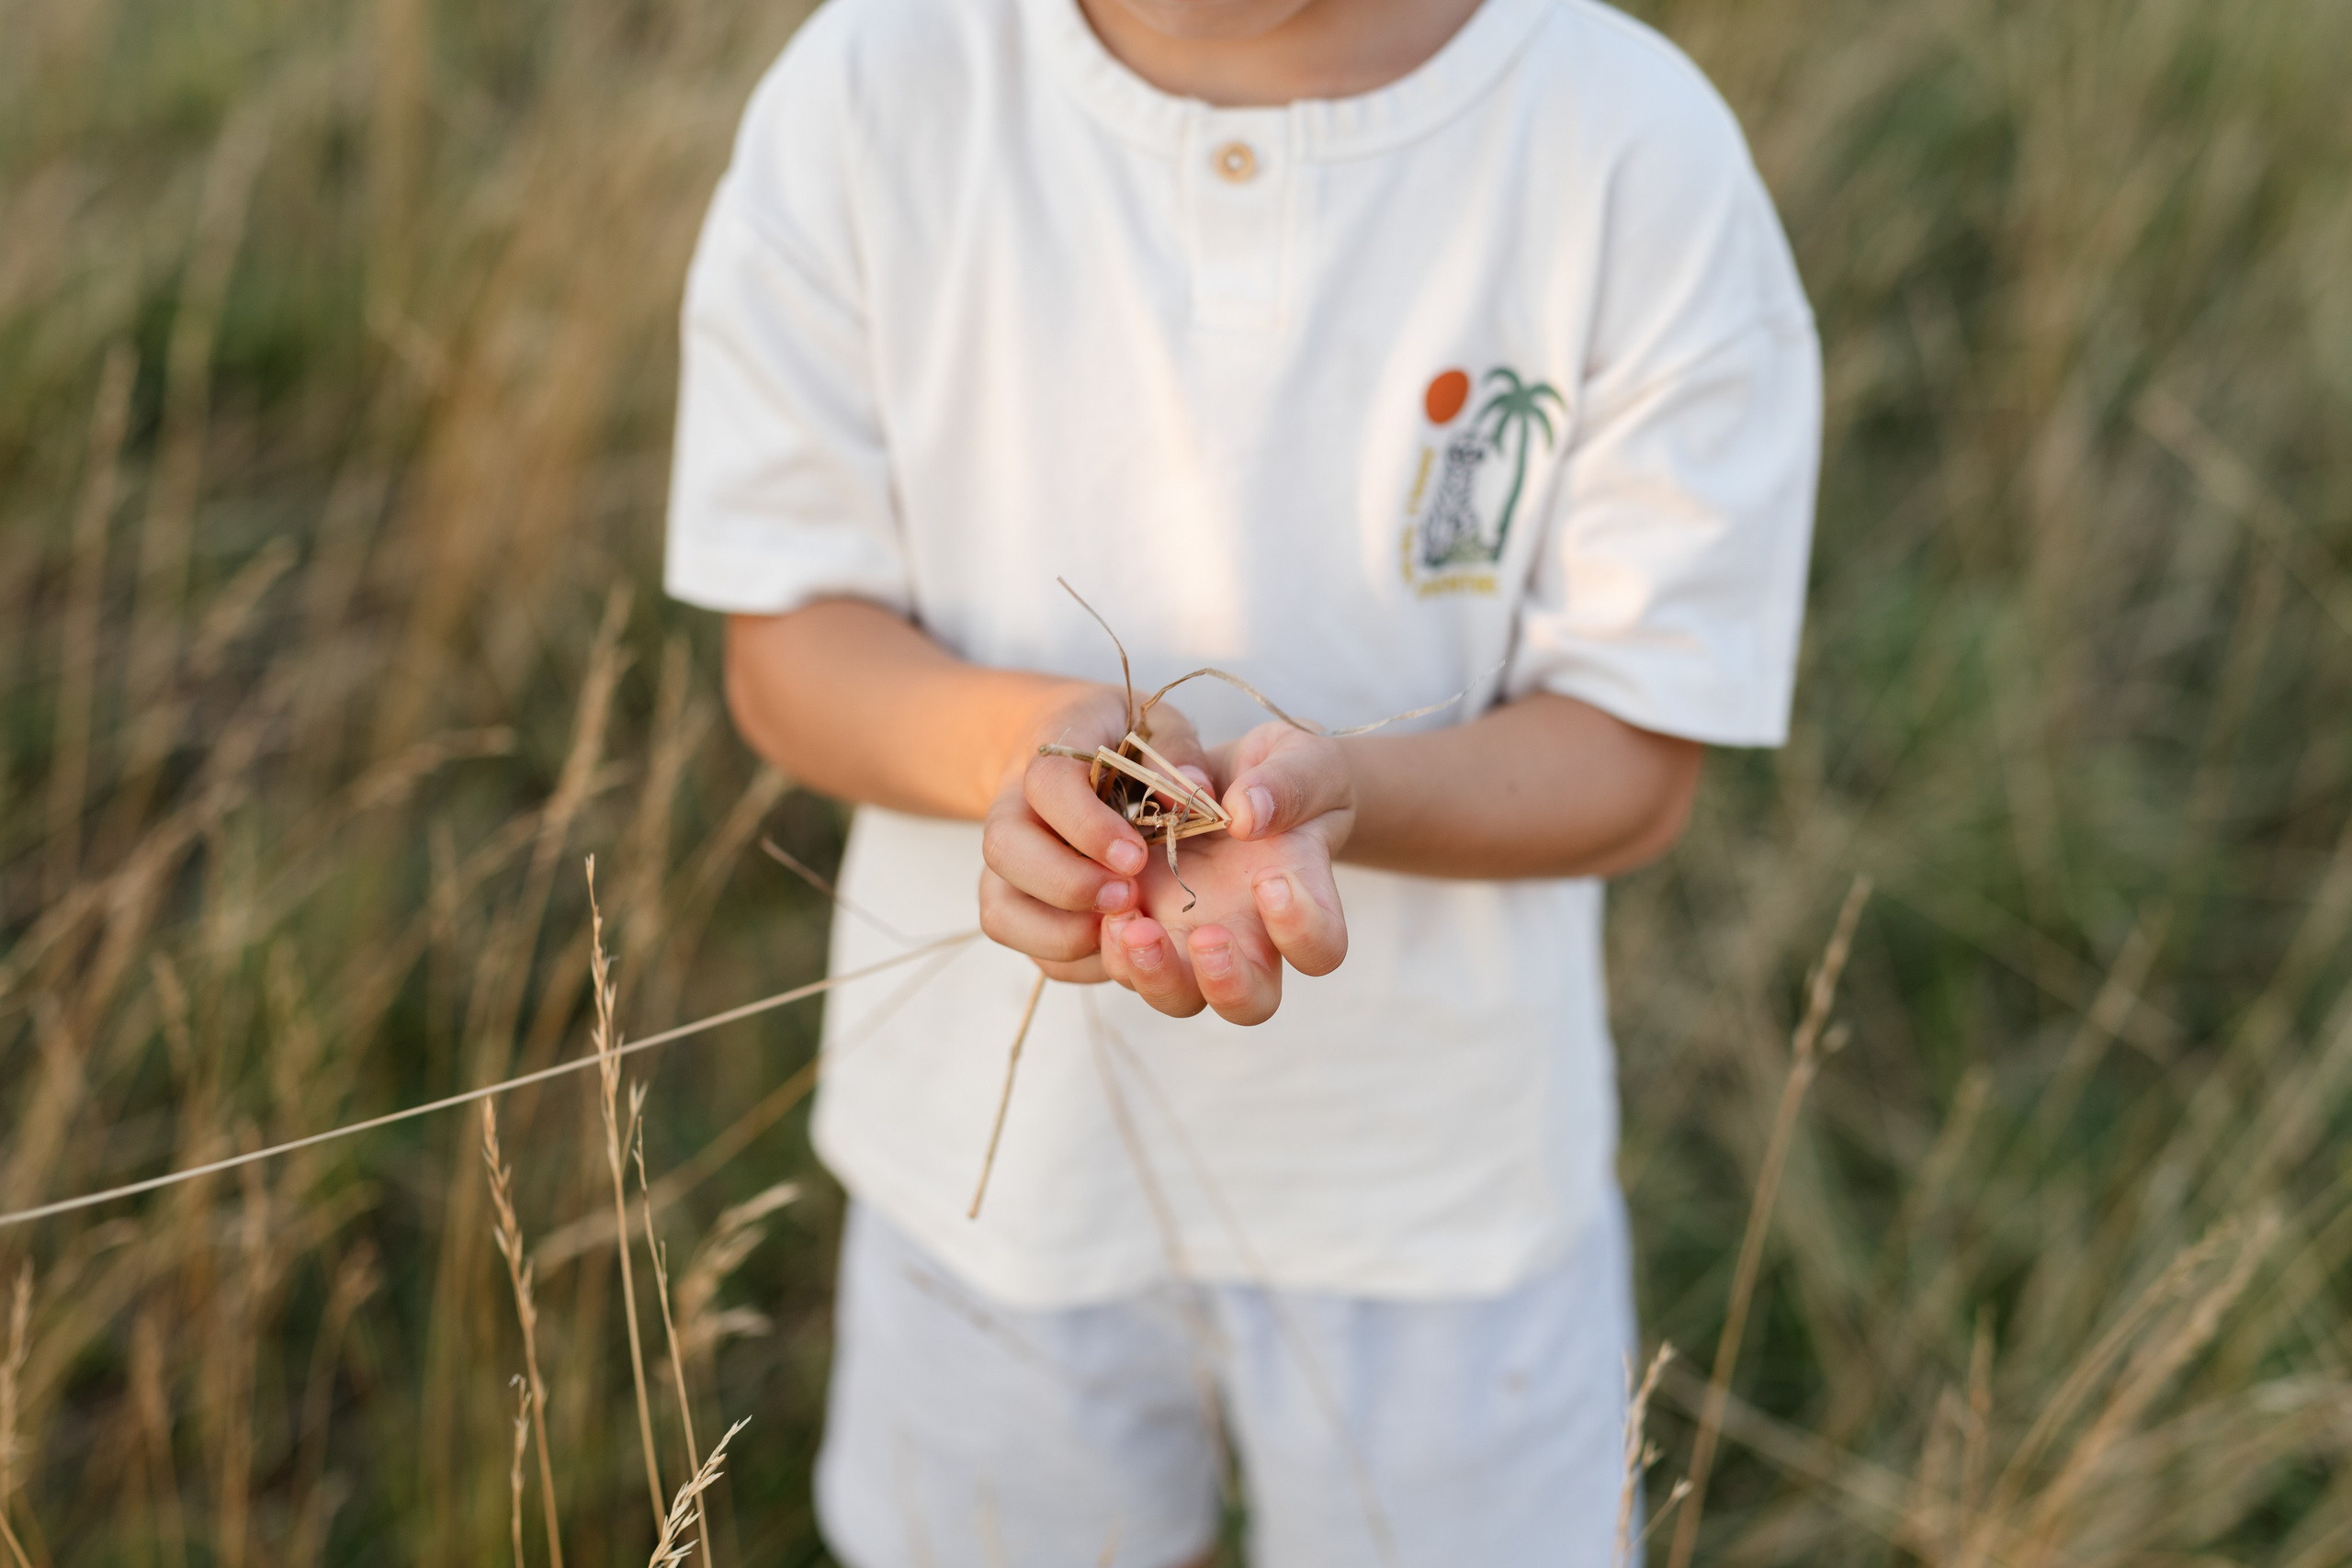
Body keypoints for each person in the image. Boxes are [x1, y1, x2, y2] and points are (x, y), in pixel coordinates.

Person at [664, 0, 1819, 1560]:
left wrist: (1351, 798)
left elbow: (1630, 754)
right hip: (995, 1193)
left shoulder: (1624, 143)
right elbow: (789, 645)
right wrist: (1039, 757)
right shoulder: (880, 81)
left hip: (1442, 1204)